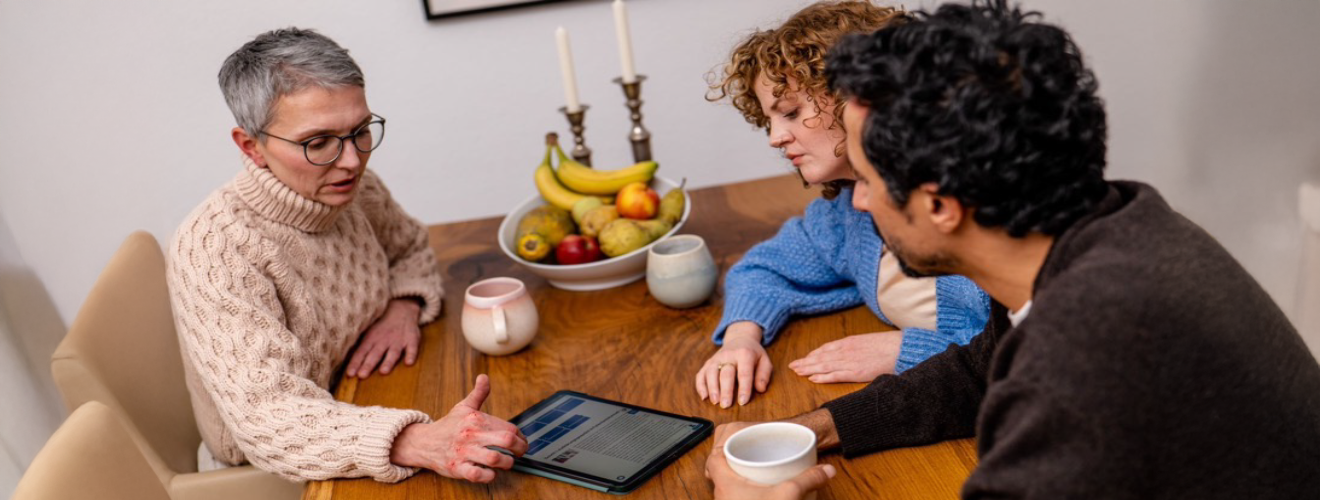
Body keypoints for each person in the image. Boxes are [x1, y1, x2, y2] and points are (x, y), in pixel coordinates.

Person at [706, 0, 1320, 498]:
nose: (857, 204)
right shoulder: (1115, 226)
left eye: (866, 179)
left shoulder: (1081, 370)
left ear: (940, 204)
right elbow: (979, 370)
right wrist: (806, 430)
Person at [166, 28, 527, 483]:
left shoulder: (352, 189)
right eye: (317, 143)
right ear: (251, 146)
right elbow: (269, 419)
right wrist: (417, 441)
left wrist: (403, 306)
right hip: (272, 470)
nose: (353, 161)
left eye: (359, 131)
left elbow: (411, 248)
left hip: (368, 396)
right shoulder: (215, 246)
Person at [698, 0, 991, 409]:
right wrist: (740, 340)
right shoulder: (846, 216)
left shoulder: (975, 208)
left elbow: (1023, 348)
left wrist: (907, 350)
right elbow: (763, 267)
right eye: (769, 121)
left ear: (855, 97)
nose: (774, 138)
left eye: (791, 112)